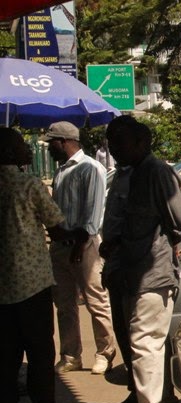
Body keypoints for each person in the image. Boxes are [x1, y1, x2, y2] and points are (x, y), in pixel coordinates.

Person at [102, 116, 181, 403]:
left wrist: (155, 246)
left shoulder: (157, 172)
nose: (113, 149)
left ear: (141, 142)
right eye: (110, 142)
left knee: (145, 345)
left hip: (152, 275)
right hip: (133, 273)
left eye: (119, 141)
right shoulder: (134, 173)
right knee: (150, 345)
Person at [0, 127, 80, 403]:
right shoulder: (29, 185)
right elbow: (56, 227)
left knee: (6, 357)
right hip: (32, 284)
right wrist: (76, 235)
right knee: (40, 354)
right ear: (10, 153)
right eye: (22, 145)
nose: (28, 150)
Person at [42, 121, 117, 376]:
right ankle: (71, 355)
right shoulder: (61, 171)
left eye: (51, 143)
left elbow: (93, 213)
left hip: (85, 245)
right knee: (64, 304)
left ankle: (104, 352)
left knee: (96, 301)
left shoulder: (90, 168)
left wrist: (80, 245)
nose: (48, 148)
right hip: (60, 246)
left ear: (63, 142)